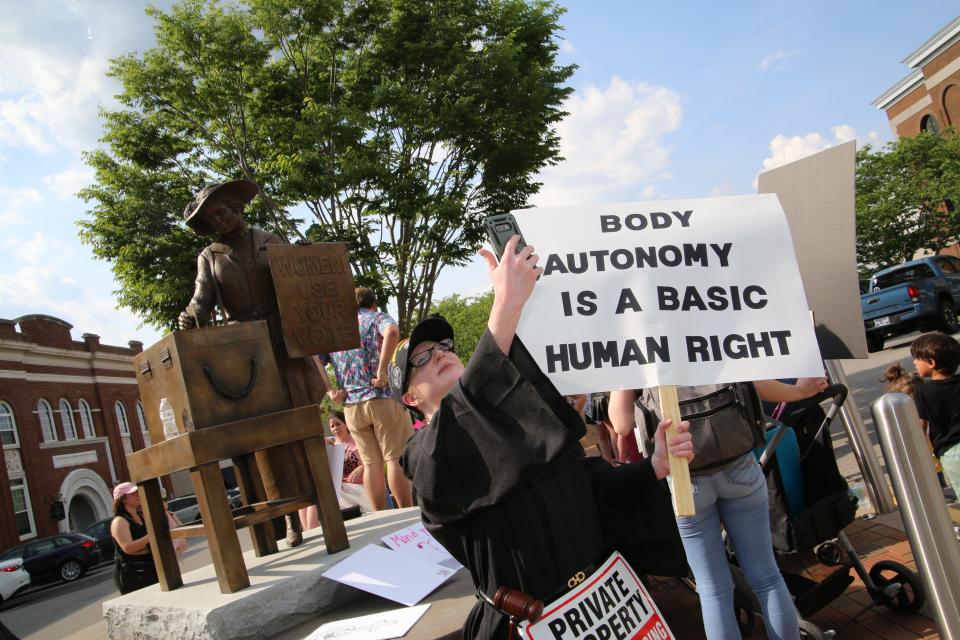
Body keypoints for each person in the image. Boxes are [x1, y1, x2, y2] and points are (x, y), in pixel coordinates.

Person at [392, 236, 694, 639]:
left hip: (607, 602)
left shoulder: (521, 419)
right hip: (528, 623)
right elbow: (459, 428)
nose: (440, 354)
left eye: (444, 346)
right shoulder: (424, 457)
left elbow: (588, 485)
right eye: (421, 358)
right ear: (410, 398)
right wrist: (504, 309)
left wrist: (651, 467)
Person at [611, 377, 828, 640]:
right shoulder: (710, 334)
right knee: (767, 577)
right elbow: (757, 385)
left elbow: (621, 424)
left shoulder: (639, 349)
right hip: (738, 464)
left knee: (713, 589)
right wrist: (799, 391)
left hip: (685, 480)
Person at [178, 179, 330, 547]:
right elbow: (202, 301)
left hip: (285, 344)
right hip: (246, 354)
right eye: (212, 219)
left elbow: (297, 282)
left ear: (237, 207)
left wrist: (308, 262)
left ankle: (326, 506)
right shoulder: (210, 257)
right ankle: (289, 518)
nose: (220, 221)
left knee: (302, 424)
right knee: (266, 438)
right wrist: (189, 315)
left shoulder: (271, 241)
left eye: (223, 212)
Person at [317, 287, 414, 510]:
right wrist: (382, 372)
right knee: (394, 458)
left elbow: (315, 358)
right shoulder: (376, 318)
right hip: (381, 397)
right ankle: (407, 512)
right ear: (372, 304)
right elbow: (391, 331)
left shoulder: (335, 330)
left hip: (351, 406)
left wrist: (331, 390)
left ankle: (380, 515)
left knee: (371, 464)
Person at [910, 332, 960, 494]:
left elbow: (921, 426)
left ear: (931, 362)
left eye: (917, 358)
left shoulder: (923, 391)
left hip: (952, 453)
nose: (914, 362)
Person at [110, 482, 158, 595]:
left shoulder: (141, 515)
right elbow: (128, 547)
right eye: (133, 493)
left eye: (137, 491)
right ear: (122, 499)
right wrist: (151, 535)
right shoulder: (119, 521)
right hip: (133, 574)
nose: (138, 494)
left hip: (149, 567)